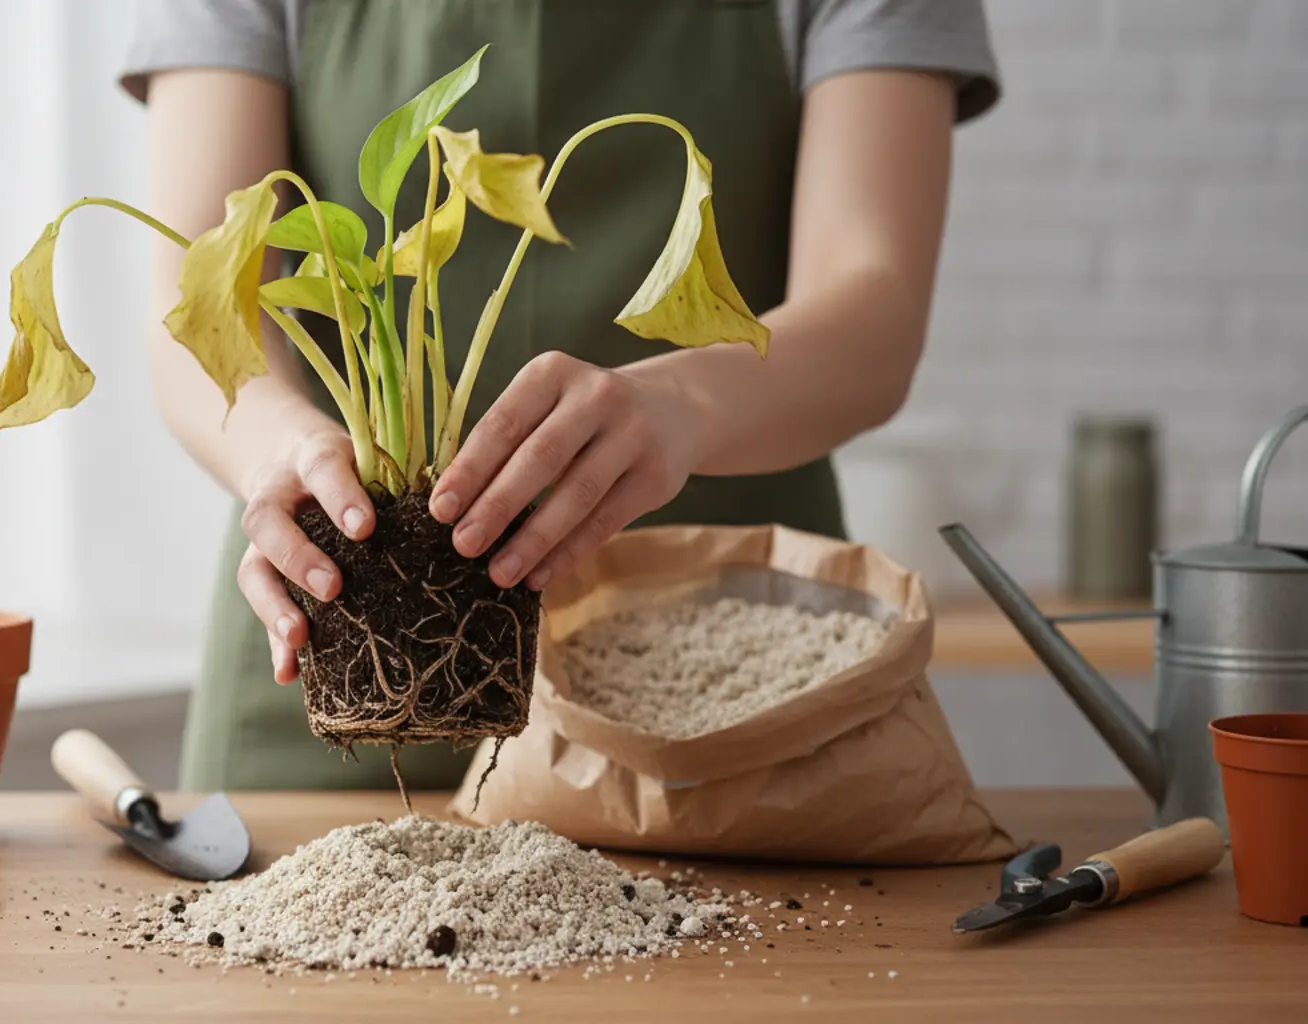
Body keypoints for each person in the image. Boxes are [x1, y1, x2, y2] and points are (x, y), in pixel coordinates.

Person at [117, 0, 999, 792]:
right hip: (335, 637)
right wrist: (285, 449)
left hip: (723, 671)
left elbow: (873, 304)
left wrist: (684, 405)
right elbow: (200, 299)